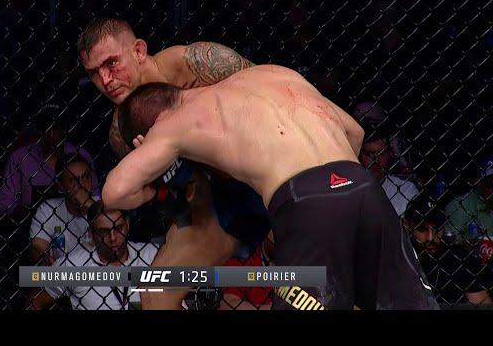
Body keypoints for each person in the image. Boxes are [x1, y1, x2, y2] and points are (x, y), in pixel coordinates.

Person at [103, 64, 439, 310]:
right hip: (363, 187)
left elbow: (114, 192)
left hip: (307, 203)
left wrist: (150, 185)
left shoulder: (171, 123)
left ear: (152, 125)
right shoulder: (270, 73)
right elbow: (355, 132)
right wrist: (339, 188)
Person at [78, 16, 271, 309]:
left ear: (139, 51)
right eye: (94, 73)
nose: (105, 80)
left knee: (314, 284)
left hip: (270, 171)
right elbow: (176, 202)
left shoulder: (195, 63)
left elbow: (273, 96)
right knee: (156, 293)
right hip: (220, 199)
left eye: (111, 63)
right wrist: (171, 175)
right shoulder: (121, 133)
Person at [28, 202, 158, 310]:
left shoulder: (152, 255)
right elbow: (34, 302)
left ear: (127, 225)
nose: (113, 238)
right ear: (91, 232)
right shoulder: (73, 266)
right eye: (104, 231)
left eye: (118, 228)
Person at [403, 193, 493, 306]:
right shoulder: (397, 259)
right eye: (422, 229)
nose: (431, 237)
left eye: (437, 229)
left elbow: (483, 304)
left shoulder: (457, 260)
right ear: (407, 226)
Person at [29, 156, 97, 265]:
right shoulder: (48, 209)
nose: (82, 185)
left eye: (86, 177)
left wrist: (91, 206)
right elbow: (37, 247)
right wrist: (44, 259)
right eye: (73, 180)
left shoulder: (104, 205)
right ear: (60, 186)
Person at [359, 132, 420, 217]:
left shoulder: (406, 190)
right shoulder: (347, 189)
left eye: (381, 153)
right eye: (369, 154)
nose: (376, 161)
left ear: (389, 154)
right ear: (359, 155)